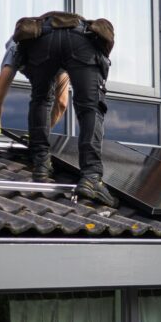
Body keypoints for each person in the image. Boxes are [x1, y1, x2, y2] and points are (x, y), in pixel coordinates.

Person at [16, 11, 117, 207]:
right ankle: (91, 177)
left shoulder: (32, 37)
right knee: (90, 107)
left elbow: (54, 100)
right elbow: (63, 102)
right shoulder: (85, 35)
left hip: (43, 40)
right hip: (80, 40)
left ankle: (41, 165)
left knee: (41, 99)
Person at [0, 37, 69, 135]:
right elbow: (61, 103)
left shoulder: (14, 51)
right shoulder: (16, 50)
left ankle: (38, 133)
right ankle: (39, 133)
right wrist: (41, 132)